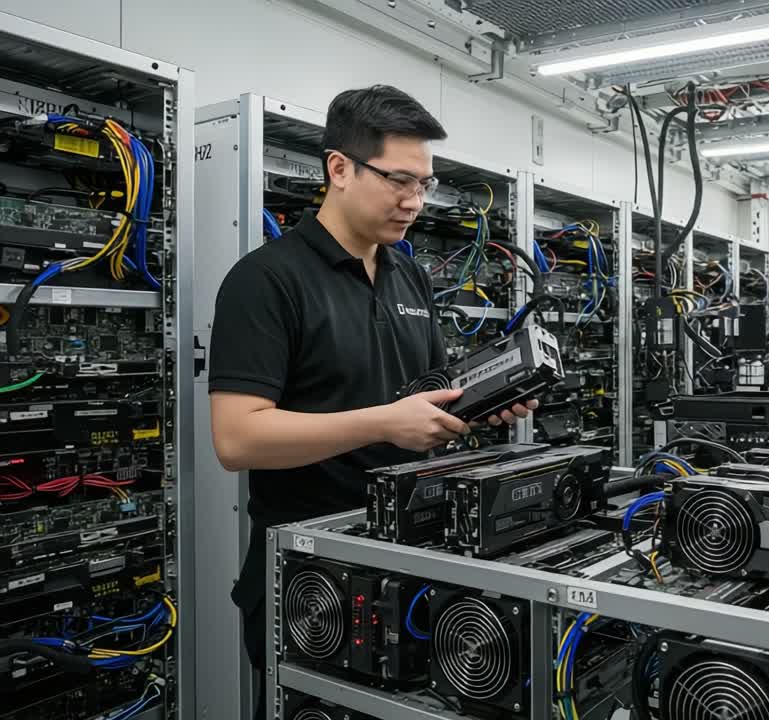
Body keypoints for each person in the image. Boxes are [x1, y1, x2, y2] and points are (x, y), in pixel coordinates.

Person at [207, 85, 535, 719]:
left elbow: (423, 392)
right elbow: (237, 438)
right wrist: (384, 423)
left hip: (414, 556)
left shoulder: (406, 273)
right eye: (399, 181)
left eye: (425, 185)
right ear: (339, 168)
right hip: (313, 583)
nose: (415, 201)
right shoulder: (266, 279)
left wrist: (480, 403)